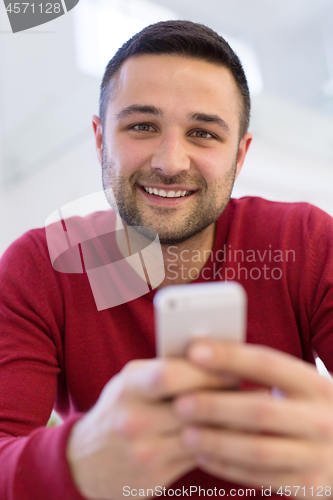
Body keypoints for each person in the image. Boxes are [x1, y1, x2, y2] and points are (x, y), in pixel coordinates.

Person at [1, 19, 333, 500]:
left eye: (202, 133)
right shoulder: (40, 267)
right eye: (142, 126)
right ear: (100, 140)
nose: (171, 161)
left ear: (240, 156)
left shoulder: (305, 241)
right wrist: (76, 462)